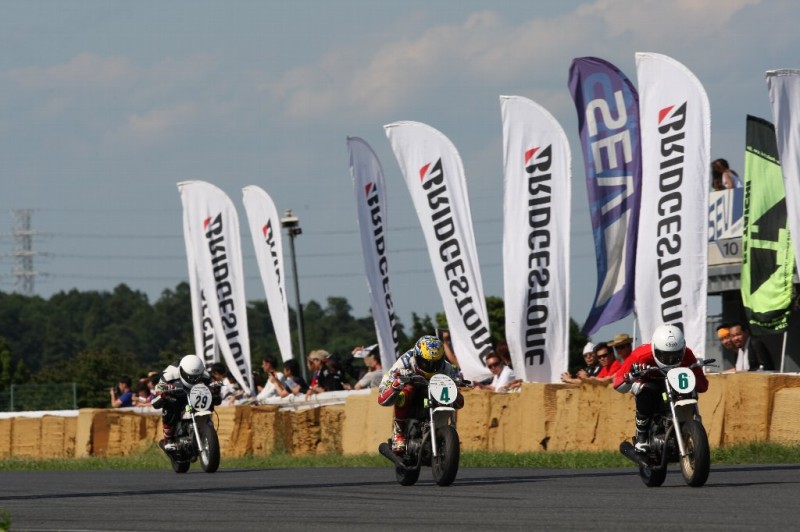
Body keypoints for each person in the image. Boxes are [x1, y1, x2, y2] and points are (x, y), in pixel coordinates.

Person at [613, 324, 709, 453]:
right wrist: (631, 376)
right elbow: (617, 383)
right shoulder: (640, 355)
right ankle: (642, 438)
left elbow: (703, 386)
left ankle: (686, 427)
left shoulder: (687, 354)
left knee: (690, 389)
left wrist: (695, 374)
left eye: (676, 355)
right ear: (655, 349)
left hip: (673, 382)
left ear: (682, 349)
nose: (670, 359)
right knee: (647, 389)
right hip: (649, 382)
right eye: (665, 355)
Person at [377, 335, 464, 455]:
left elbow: (460, 401)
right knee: (406, 390)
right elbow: (382, 398)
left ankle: (447, 428)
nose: (430, 367)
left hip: (433, 389)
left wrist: (457, 386)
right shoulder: (404, 362)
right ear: (417, 356)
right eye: (425, 362)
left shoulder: (446, 367)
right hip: (413, 390)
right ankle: (399, 432)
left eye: (435, 363)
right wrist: (396, 384)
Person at [152, 354, 220, 451]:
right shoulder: (169, 375)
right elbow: (157, 391)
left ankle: (204, 429)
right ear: (182, 371)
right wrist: (165, 391)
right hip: (177, 394)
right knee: (170, 404)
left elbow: (213, 386)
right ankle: (168, 439)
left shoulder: (205, 375)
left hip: (195, 394)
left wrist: (214, 392)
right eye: (190, 377)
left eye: (196, 377)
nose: (193, 380)